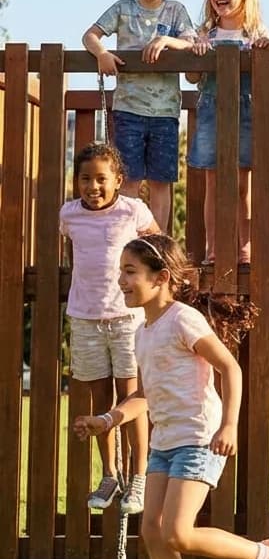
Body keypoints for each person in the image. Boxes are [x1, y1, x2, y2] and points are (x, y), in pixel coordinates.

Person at [73, 234, 269, 559]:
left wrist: (229, 425)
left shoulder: (182, 320)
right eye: (120, 272)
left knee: (177, 531)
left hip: (199, 435)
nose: (121, 281)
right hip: (165, 440)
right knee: (153, 533)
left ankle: (266, 554)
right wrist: (107, 419)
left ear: (161, 278)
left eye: (130, 272)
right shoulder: (143, 333)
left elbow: (230, 368)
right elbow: (145, 395)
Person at [59, 142, 160, 515]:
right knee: (100, 401)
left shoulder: (132, 210)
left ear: (118, 180)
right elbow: (75, 256)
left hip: (126, 318)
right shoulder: (69, 215)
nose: (93, 187)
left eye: (101, 179)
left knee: (130, 400)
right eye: (85, 179)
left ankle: (138, 476)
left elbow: (158, 245)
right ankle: (110, 473)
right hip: (85, 318)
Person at [82, 0, 196, 232]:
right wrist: (103, 54)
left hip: (165, 112)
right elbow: (90, 35)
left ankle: (158, 241)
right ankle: (126, 239)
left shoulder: (175, 12)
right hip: (128, 108)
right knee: (129, 177)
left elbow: (191, 43)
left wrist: (166, 41)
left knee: (161, 180)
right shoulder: (123, 9)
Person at [185, 0, 269, 267]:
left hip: (246, 111)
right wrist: (196, 53)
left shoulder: (256, 33)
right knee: (213, 182)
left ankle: (244, 248)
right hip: (212, 111)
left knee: (241, 185)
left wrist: (264, 52)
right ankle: (214, 248)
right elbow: (192, 78)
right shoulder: (204, 34)